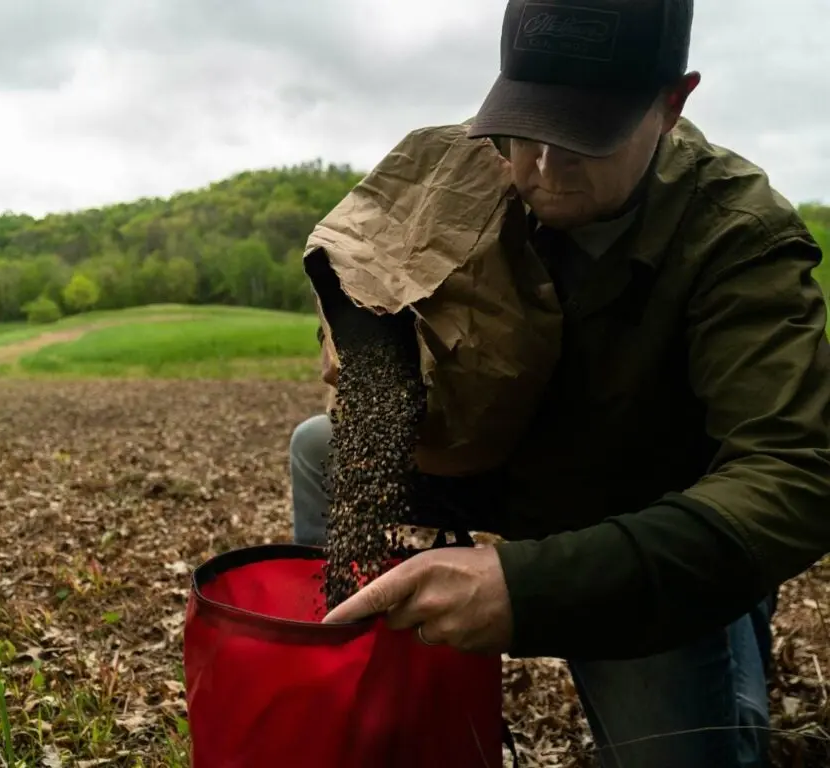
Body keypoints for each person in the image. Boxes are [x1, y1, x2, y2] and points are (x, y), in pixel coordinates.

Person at [290, 0, 830, 766]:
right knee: (324, 447)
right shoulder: (471, 168)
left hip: (636, 513)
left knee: (693, 752)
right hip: (515, 466)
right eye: (527, 127)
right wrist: (368, 337)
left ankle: (731, 612)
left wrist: (526, 588)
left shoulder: (736, 234)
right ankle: (346, 666)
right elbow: (372, 270)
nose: (540, 169)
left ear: (672, 105)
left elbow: (794, 473)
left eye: (582, 139)